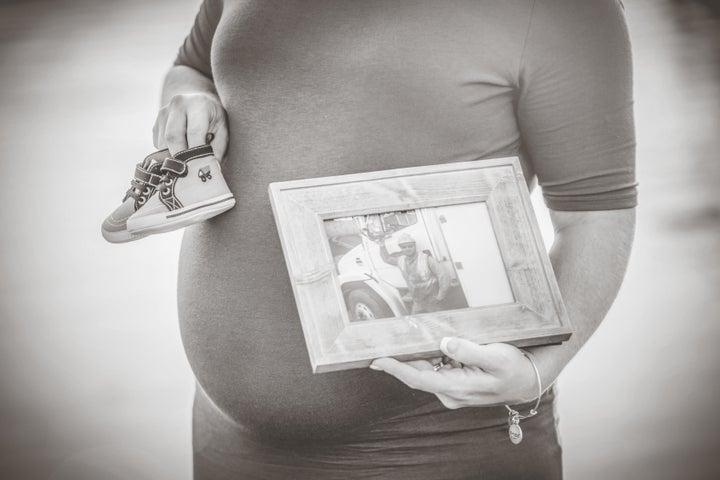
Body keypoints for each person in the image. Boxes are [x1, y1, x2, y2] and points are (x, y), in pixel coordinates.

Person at [154, 0, 637, 478]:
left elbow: (594, 216)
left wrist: (538, 370)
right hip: (228, 444)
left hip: (435, 443)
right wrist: (190, 103)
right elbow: (193, 68)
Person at [378, 232, 451, 314]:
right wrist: (381, 245)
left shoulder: (426, 259)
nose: (407, 249)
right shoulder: (400, 260)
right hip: (418, 301)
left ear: (414, 246)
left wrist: (441, 295)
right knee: (417, 321)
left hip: (432, 300)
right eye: (404, 247)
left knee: (441, 322)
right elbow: (386, 258)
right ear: (401, 249)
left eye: (410, 246)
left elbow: (443, 275)